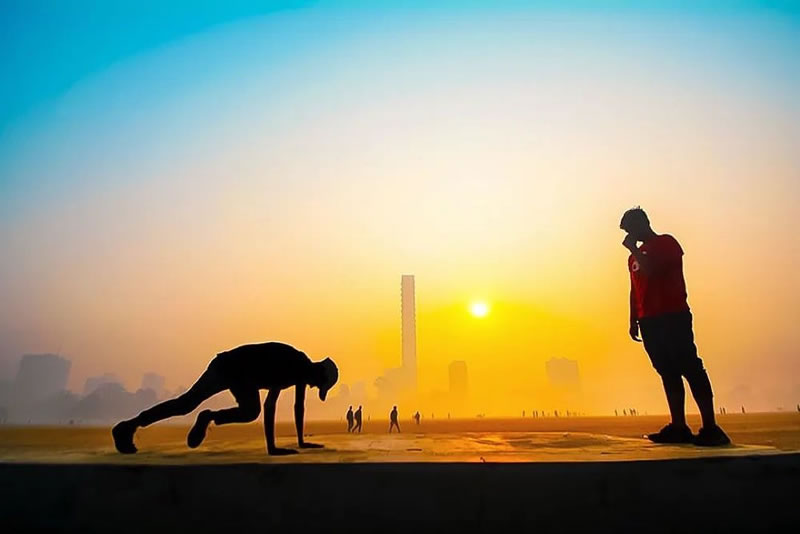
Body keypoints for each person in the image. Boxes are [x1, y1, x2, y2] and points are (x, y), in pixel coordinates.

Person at [112, 341, 338, 456]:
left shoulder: (301, 367)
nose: (313, 387)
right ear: (319, 373)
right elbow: (271, 405)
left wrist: (301, 442)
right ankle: (129, 427)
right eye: (318, 385)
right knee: (249, 411)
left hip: (226, 365)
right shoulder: (296, 366)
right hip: (233, 368)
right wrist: (272, 448)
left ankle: (129, 426)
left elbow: (300, 406)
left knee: (186, 403)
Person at [621, 207, 729, 446]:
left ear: (642, 224)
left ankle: (710, 426)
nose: (629, 235)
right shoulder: (633, 259)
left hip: (673, 315)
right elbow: (635, 289)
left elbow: (651, 271)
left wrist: (634, 249)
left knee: (690, 367)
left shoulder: (666, 244)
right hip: (649, 320)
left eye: (631, 229)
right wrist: (633, 318)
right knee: (667, 371)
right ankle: (678, 426)